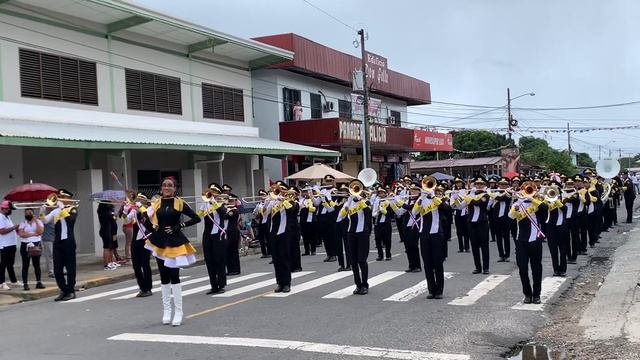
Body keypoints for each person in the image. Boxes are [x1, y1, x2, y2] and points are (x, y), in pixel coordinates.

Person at [145, 177, 200, 326]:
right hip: (159, 241)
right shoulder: (156, 204)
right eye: (164, 185)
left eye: (170, 185)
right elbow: (148, 224)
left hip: (175, 242)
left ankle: (179, 311)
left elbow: (196, 218)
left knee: (174, 276)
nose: (166, 187)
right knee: (163, 276)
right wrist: (143, 214)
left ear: (175, 188)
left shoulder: (179, 203)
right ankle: (166, 311)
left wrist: (179, 226)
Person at [509, 183, 547, 305]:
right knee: (523, 269)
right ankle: (527, 294)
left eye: (530, 190)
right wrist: (517, 205)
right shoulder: (517, 204)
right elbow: (511, 216)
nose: (527, 191)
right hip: (521, 240)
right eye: (525, 190)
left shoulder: (538, 203)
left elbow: (545, 210)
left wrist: (532, 199)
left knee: (536, 268)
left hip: (535, 240)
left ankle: (537, 295)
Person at [412, 180, 449, 299]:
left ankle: (439, 290)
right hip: (424, 234)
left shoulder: (437, 199)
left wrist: (433, 196)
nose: (428, 189)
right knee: (427, 264)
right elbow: (414, 212)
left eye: (430, 187)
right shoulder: (421, 200)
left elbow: (446, 209)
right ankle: (431, 289)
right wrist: (421, 198)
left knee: (438, 263)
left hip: (437, 234)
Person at [337, 179, 372, 295]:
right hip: (351, 233)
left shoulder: (366, 201)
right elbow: (340, 218)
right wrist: (344, 208)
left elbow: (367, 212)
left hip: (363, 233)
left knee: (362, 260)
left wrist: (360, 200)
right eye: (353, 188)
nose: (355, 191)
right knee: (353, 261)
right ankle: (358, 285)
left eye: (357, 188)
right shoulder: (349, 202)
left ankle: (365, 285)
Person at [43, 189, 78, 301]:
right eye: (59, 196)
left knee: (70, 267)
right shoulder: (55, 211)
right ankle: (63, 290)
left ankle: (71, 290)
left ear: (70, 199)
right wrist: (41, 209)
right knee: (57, 269)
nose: (59, 199)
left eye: (63, 197)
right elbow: (44, 221)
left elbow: (70, 221)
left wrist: (62, 207)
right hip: (57, 242)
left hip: (68, 241)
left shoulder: (72, 209)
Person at [199, 183, 228, 295]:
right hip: (207, 235)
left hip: (219, 234)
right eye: (211, 191)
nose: (212, 193)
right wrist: (204, 203)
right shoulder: (206, 204)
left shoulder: (222, 203)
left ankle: (221, 284)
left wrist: (214, 202)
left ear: (219, 194)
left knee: (219, 260)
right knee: (209, 260)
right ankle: (213, 285)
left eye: (214, 192)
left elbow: (224, 214)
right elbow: (200, 215)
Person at [127, 194, 153, 297]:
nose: (138, 202)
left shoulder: (150, 209)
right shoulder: (135, 212)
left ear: (145, 201)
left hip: (146, 240)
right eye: (137, 200)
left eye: (140, 200)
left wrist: (140, 207)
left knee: (145, 264)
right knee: (136, 266)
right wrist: (126, 211)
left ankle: (148, 288)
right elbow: (126, 220)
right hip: (135, 241)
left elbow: (147, 216)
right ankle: (142, 287)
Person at [466, 177, 491, 274]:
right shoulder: (470, 195)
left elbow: (478, 203)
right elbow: (459, 206)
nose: (479, 185)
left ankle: (486, 268)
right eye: (477, 184)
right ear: (475, 185)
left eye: (481, 184)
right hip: (471, 222)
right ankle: (478, 267)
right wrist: (455, 198)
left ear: (484, 185)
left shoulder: (486, 195)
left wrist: (469, 198)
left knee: (485, 246)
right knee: (474, 246)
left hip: (482, 222)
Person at [544, 184, 568, 277]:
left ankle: (563, 269)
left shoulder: (564, 199)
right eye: (551, 189)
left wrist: (557, 201)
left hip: (562, 227)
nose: (553, 191)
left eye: (555, 190)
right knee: (553, 250)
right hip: (551, 228)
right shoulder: (546, 201)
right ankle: (556, 269)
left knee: (563, 250)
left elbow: (565, 209)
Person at [18, 208, 45, 290]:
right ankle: (25, 284)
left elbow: (40, 232)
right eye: (26, 213)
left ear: (33, 214)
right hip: (25, 245)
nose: (28, 215)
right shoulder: (23, 223)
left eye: (30, 213)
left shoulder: (38, 222)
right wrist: (34, 234)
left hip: (36, 244)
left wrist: (35, 220)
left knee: (36, 264)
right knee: (25, 265)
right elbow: (21, 234)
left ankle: (39, 282)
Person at [0, 200, 19, 290]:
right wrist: (14, 227)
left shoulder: (7, 217)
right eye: (8, 209)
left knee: (10, 264)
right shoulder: (0, 217)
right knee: (3, 264)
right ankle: (1, 282)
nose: (10, 211)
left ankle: (13, 281)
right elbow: (2, 231)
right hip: (5, 245)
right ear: (3, 209)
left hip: (11, 244)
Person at [373, 187, 392, 261]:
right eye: (379, 193)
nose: (381, 194)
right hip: (378, 223)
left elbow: (391, 214)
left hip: (386, 223)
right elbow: (373, 212)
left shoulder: (389, 202)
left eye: (382, 193)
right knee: (378, 240)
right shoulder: (376, 202)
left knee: (387, 240)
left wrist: (384, 212)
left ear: (385, 193)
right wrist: (375, 213)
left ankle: (388, 255)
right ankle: (380, 255)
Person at [97, 203, 117, 271]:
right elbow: (112, 219)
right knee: (107, 247)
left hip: (108, 229)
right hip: (106, 230)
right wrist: (113, 216)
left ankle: (111, 262)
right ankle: (106, 264)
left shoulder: (105, 211)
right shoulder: (105, 211)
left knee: (110, 247)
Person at [299, 188, 317, 256]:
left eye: (306, 192)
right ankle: (307, 250)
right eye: (304, 192)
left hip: (312, 219)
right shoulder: (301, 200)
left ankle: (313, 250)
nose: (305, 193)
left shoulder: (313, 199)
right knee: (305, 236)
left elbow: (315, 207)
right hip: (303, 220)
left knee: (312, 235)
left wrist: (307, 207)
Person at [253, 189, 271, 258]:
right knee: (261, 238)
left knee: (268, 237)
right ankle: (264, 253)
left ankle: (270, 252)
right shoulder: (258, 204)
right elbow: (255, 214)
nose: (262, 196)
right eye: (260, 195)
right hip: (261, 221)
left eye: (263, 195)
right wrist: (256, 212)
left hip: (268, 221)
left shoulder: (269, 202)